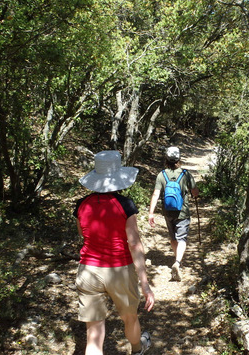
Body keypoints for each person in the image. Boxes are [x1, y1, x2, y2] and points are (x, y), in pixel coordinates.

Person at [73, 150, 155, 355]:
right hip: (120, 270)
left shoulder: (81, 205)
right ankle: (137, 349)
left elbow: (84, 236)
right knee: (130, 317)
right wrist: (145, 284)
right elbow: (134, 244)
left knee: (93, 333)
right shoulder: (125, 205)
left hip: (88, 271)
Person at [148, 146, 199, 281]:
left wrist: (151, 213)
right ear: (179, 159)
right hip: (182, 211)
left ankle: (178, 259)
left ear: (166, 159)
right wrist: (195, 193)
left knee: (173, 237)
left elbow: (155, 194)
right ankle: (177, 262)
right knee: (181, 238)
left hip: (167, 211)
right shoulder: (185, 174)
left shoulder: (161, 175)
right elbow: (195, 191)